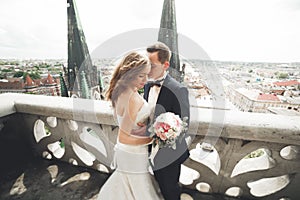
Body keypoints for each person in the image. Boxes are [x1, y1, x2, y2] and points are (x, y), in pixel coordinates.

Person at [97, 52, 163, 200]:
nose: (145, 80)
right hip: (132, 152)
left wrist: (139, 127)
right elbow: (124, 137)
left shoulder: (120, 91)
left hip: (126, 152)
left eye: (147, 75)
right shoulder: (132, 98)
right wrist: (151, 138)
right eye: (141, 76)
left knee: (128, 184)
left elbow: (125, 122)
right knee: (139, 188)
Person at [144, 42, 190, 200]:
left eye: (152, 64)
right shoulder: (147, 86)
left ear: (166, 65)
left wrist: (165, 136)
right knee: (157, 183)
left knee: (170, 189)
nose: (147, 68)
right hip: (149, 149)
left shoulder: (178, 90)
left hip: (169, 154)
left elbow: (184, 125)